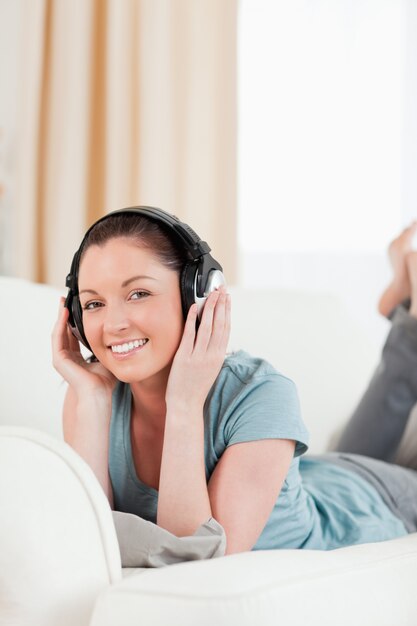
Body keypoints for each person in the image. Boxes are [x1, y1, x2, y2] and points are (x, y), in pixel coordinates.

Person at [52, 208, 417, 555]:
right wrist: (91, 399)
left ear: (197, 293)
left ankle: (411, 318)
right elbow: (86, 544)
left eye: (138, 294)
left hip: (373, 498)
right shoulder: (92, 395)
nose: (113, 324)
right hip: (311, 474)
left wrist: (184, 403)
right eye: (94, 304)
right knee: (350, 454)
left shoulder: (260, 391)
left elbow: (194, 558)